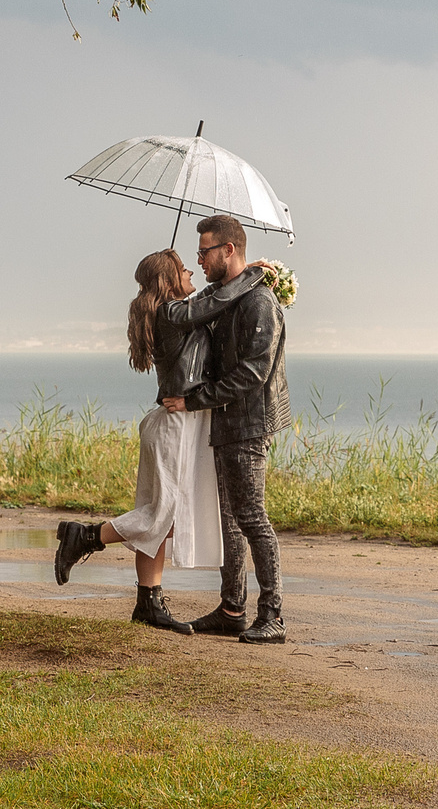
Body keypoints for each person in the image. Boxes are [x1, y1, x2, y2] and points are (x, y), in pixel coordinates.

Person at [52, 249, 221, 634]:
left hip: (171, 425)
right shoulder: (171, 314)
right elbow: (216, 299)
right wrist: (257, 276)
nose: (191, 270)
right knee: (163, 515)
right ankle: (87, 536)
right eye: (183, 269)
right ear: (169, 281)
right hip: (174, 427)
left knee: (158, 514)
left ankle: (148, 603)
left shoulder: (171, 313)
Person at [157, 212, 292, 644]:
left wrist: (195, 400)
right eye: (196, 253)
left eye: (204, 252)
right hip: (227, 421)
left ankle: (273, 615)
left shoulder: (258, 302)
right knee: (230, 520)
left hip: (250, 424)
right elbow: (209, 304)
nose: (198, 261)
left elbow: (254, 372)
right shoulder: (232, 295)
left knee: (252, 518)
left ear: (228, 250)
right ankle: (233, 608)